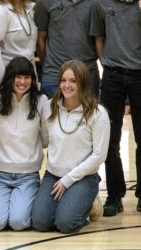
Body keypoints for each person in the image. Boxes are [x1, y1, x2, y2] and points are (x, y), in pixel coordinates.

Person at [90, 0, 141, 217]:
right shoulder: (102, 3)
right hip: (114, 76)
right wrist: (108, 62)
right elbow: (98, 40)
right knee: (111, 138)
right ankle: (114, 195)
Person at [32, 59, 110, 233]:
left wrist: (67, 181)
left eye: (73, 81)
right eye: (63, 80)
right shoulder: (48, 107)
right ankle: (71, 203)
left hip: (83, 178)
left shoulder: (98, 113)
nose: (67, 85)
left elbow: (99, 156)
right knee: (40, 222)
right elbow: (45, 140)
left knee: (65, 224)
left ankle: (89, 203)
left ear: (83, 83)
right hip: (53, 175)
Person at [0, 56, 46, 232]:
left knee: (18, 223)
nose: (22, 82)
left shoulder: (41, 102)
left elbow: (47, 137)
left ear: (33, 80)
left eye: (27, 77)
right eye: (18, 77)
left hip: (27, 175)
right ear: (9, 78)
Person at [36, 0, 102, 98]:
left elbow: (99, 40)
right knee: (53, 122)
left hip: (88, 77)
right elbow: (41, 39)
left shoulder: (98, 2)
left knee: (87, 122)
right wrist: (51, 66)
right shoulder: (46, 0)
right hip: (54, 77)